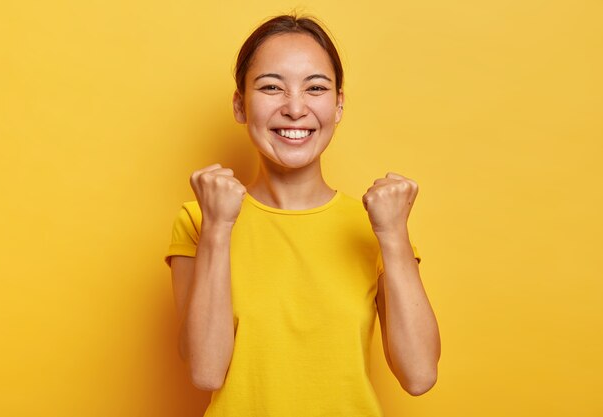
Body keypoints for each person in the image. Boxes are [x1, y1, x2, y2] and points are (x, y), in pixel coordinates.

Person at [165, 13, 441, 416]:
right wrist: (219, 228)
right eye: (272, 87)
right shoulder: (200, 220)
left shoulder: (378, 225)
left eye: (315, 88)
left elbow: (419, 375)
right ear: (241, 105)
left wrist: (394, 236)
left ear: (339, 105)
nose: (295, 109)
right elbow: (207, 372)